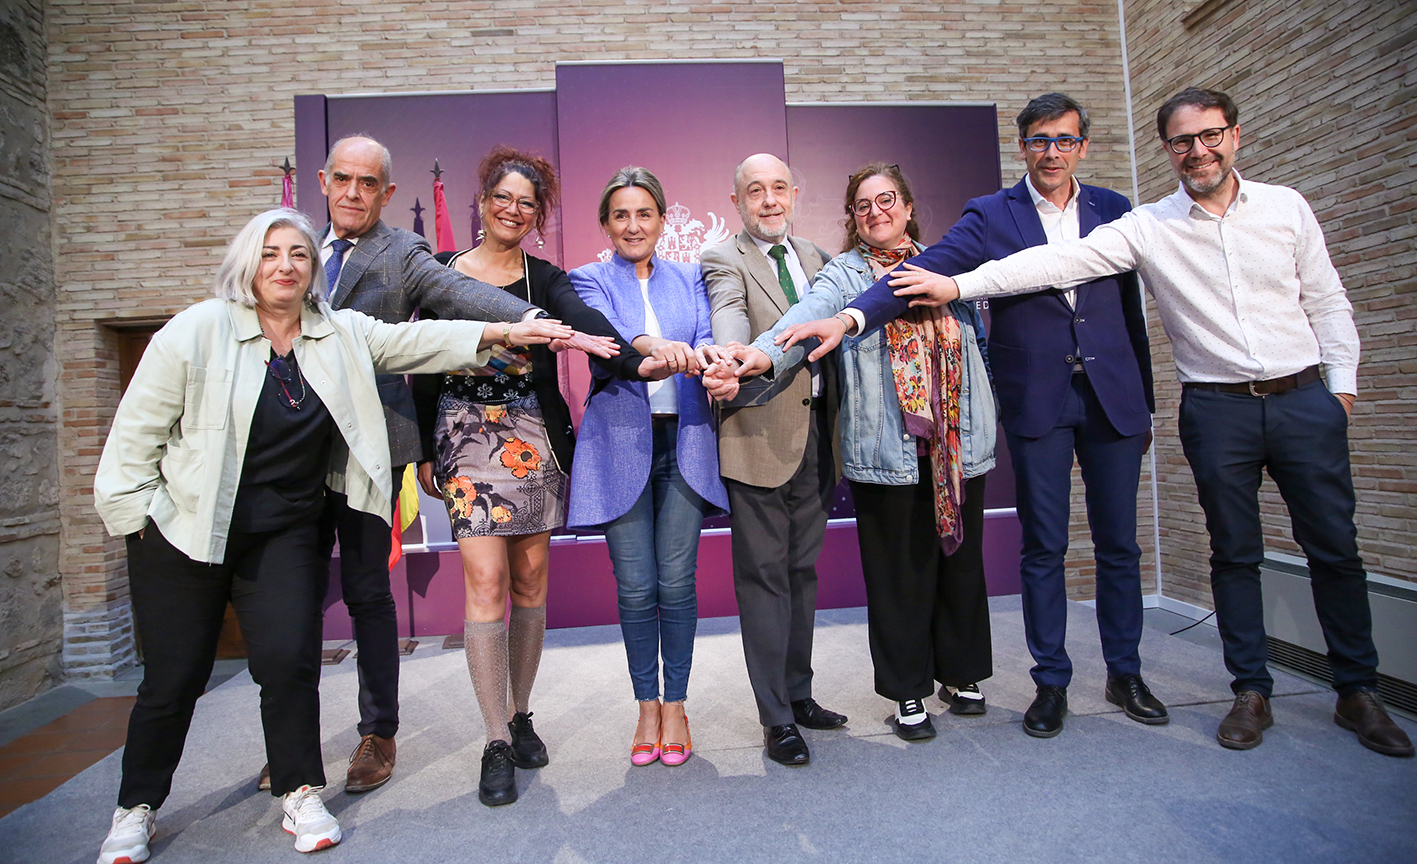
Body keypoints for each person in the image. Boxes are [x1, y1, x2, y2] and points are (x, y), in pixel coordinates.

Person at [877, 87, 1413, 758]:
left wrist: (1341, 389)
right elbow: (1054, 264)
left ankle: (1344, 691)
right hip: (1162, 406)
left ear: (1234, 135)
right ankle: (1207, 690)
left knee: (1320, 550)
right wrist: (954, 286)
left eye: (1209, 135)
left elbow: (1325, 301)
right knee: (1198, 553)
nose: (1198, 150)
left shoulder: (1265, 208)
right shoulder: (1134, 221)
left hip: (1266, 400)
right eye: (1182, 141)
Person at [91, 208, 576, 863]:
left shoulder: (338, 330)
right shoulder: (196, 331)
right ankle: (135, 808)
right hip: (184, 534)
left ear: (313, 269)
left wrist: (505, 328)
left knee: (289, 667)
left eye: (297, 253)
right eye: (270, 254)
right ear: (247, 265)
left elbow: (418, 342)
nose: (285, 265)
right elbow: (131, 443)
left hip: (283, 535)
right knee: (174, 680)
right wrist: (139, 525)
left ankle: (298, 790)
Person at [793, 94, 1164, 739]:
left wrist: (1146, 399)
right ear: (1022, 146)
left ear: (1082, 145)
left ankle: (1117, 672)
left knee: (1101, 548)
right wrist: (842, 321)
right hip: (920, 437)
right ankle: (1038, 682)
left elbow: (1122, 311)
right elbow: (895, 286)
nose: (1052, 150)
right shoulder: (983, 220)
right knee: (1008, 552)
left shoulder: (1114, 210)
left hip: (1010, 426)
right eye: (1039, 139)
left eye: (1065, 139)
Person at [411, 146, 662, 806]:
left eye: (526, 202)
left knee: (527, 579)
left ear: (536, 215)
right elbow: (416, 364)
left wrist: (638, 357)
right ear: (483, 202)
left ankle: (521, 713)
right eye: (503, 198)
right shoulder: (439, 273)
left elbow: (589, 328)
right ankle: (495, 739)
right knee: (486, 579)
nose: (513, 210)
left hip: (532, 442)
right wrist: (417, 453)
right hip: (463, 438)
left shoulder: (545, 278)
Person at [727, 163, 996, 742]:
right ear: (852, 216)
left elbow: (980, 342)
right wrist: (762, 353)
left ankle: (964, 673)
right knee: (898, 572)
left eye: (888, 199)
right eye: (864, 204)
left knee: (961, 562)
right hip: (886, 445)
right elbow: (806, 315)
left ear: (908, 205)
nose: (877, 211)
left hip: (957, 443)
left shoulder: (947, 261)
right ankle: (908, 691)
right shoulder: (842, 273)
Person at [305, 135, 540, 795]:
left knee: (369, 596)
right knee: (291, 604)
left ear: (385, 192)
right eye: (342, 179)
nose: (353, 192)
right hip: (290, 455)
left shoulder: (401, 251)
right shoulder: (294, 248)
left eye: (368, 183)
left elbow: (456, 296)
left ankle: (378, 734)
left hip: (369, 450)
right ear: (323, 182)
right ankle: (293, 744)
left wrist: (530, 319)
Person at [567, 166, 730, 767]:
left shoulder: (692, 278)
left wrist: (712, 363)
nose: (633, 226)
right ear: (605, 224)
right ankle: (645, 705)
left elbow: (712, 335)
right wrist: (654, 351)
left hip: (685, 442)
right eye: (620, 215)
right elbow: (602, 339)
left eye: (644, 214)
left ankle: (678, 704)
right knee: (636, 588)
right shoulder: (586, 280)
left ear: (663, 220)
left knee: (677, 582)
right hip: (619, 446)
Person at [698, 153, 848, 767]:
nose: (768, 201)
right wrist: (736, 355)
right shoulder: (722, 259)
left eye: (779, 188)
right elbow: (730, 313)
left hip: (818, 440)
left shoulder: (820, 259)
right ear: (736, 202)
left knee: (802, 576)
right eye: (754, 191)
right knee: (763, 582)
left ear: (794, 194)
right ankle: (777, 719)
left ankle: (800, 692)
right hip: (756, 437)